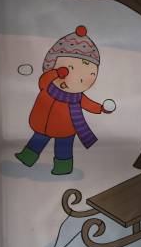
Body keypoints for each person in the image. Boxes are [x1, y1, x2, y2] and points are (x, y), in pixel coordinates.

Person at [15, 25, 114, 175]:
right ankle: (27, 157)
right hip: (42, 124)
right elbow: (44, 79)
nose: (79, 78)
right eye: (70, 69)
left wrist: (101, 108)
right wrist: (56, 73)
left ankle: (63, 167)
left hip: (66, 128)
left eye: (91, 74)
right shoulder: (48, 86)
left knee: (63, 148)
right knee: (37, 140)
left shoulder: (77, 97)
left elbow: (88, 104)